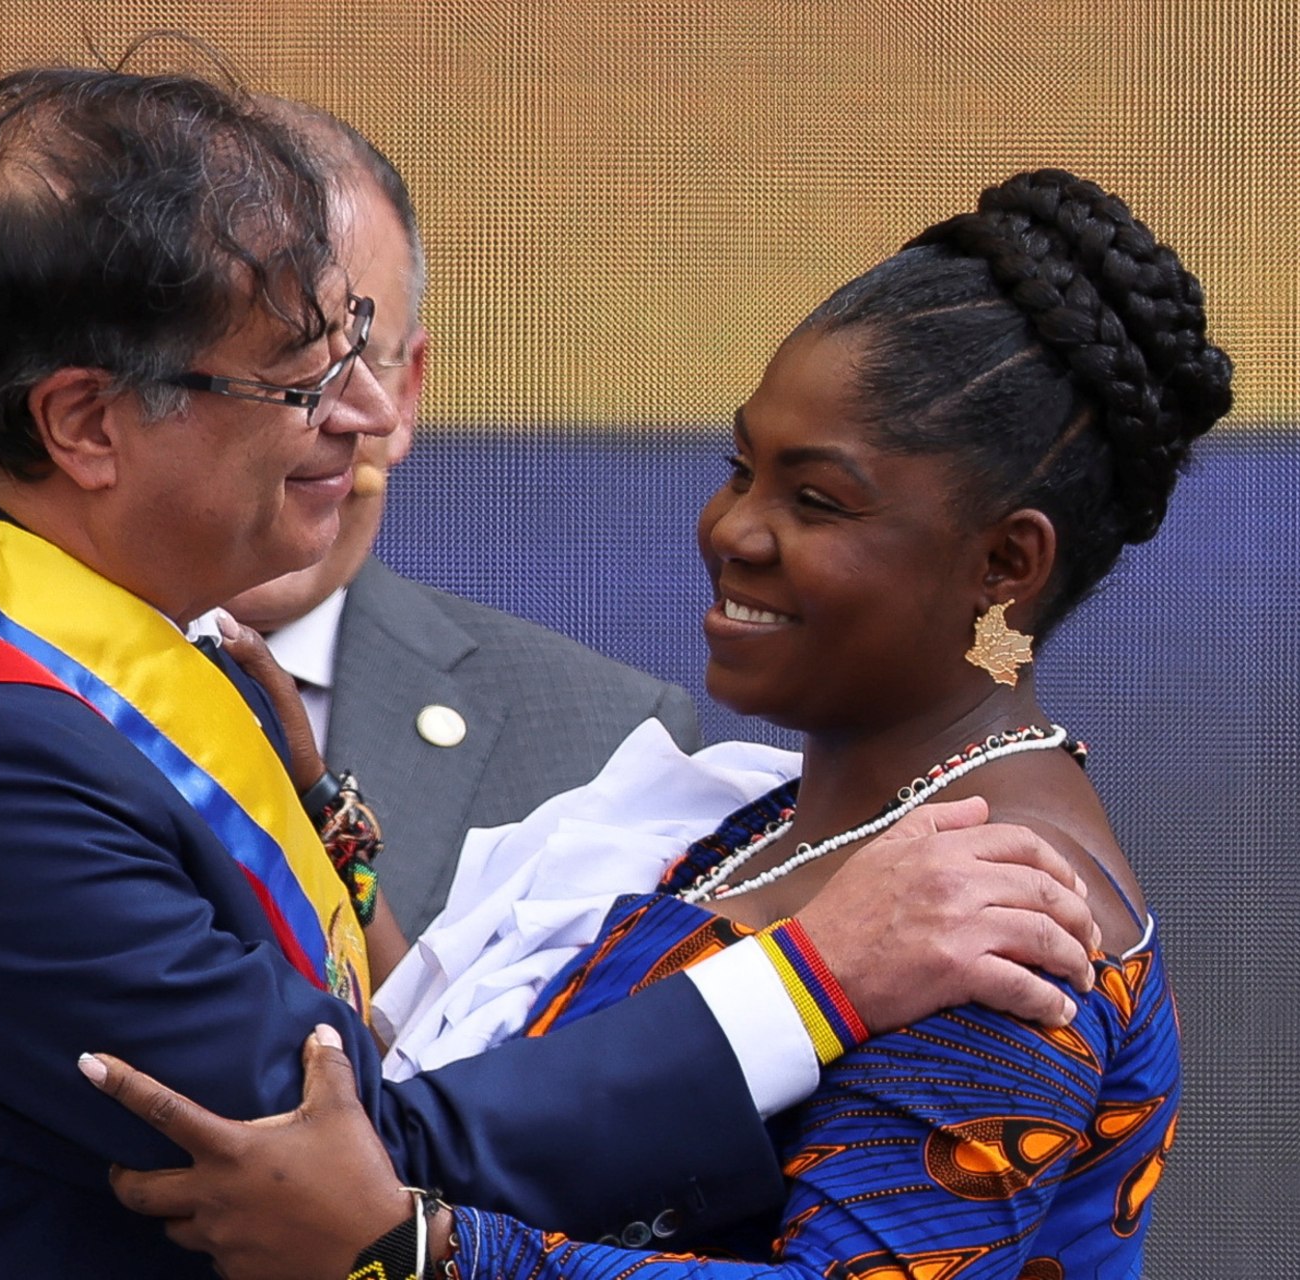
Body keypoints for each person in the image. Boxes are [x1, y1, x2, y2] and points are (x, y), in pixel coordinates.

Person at [0, 65, 1101, 1278]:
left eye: (360, 353)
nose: (361, 416)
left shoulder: (58, 640)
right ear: (85, 423)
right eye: (299, 378)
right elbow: (352, 1170)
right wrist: (812, 984)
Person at [87, 167, 1233, 1279]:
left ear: (1006, 563)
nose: (733, 528)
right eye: (741, 467)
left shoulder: (1009, 918)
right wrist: (322, 824)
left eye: (816, 500)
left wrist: (415, 1251)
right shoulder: (762, 811)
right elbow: (503, 1072)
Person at [225, 105, 700, 934]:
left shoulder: (605, 747)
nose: (311, 422)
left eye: (352, 361)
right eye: (271, 369)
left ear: (404, 393)